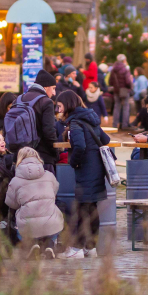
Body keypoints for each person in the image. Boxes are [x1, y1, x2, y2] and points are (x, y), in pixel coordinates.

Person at [55, 91, 109, 259]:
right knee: (92, 210)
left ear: (68, 104)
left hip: (85, 170)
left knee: (80, 209)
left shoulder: (76, 122)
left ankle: (77, 248)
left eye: (60, 105)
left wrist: (74, 162)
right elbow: (105, 139)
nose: (58, 109)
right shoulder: (90, 118)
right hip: (97, 170)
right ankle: (91, 248)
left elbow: (79, 146)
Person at [5, 147, 63, 260]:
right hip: (51, 223)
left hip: (28, 224)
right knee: (54, 213)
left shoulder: (15, 181)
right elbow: (54, 192)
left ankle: (32, 244)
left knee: (19, 217)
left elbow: (10, 203)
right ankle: (50, 244)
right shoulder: (49, 175)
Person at [15, 69, 59, 171]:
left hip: (21, 156)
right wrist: (55, 152)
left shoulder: (19, 99)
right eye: (53, 88)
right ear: (45, 87)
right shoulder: (46, 102)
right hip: (42, 156)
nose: (54, 92)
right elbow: (49, 131)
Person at [108, 54, 134, 131]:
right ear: (123, 60)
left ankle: (115, 125)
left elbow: (110, 81)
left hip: (116, 91)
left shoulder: (113, 69)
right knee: (126, 107)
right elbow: (128, 81)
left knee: (116, 107)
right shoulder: (125, 69)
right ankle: (124, 125)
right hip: (125, 91)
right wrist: (130, 87)